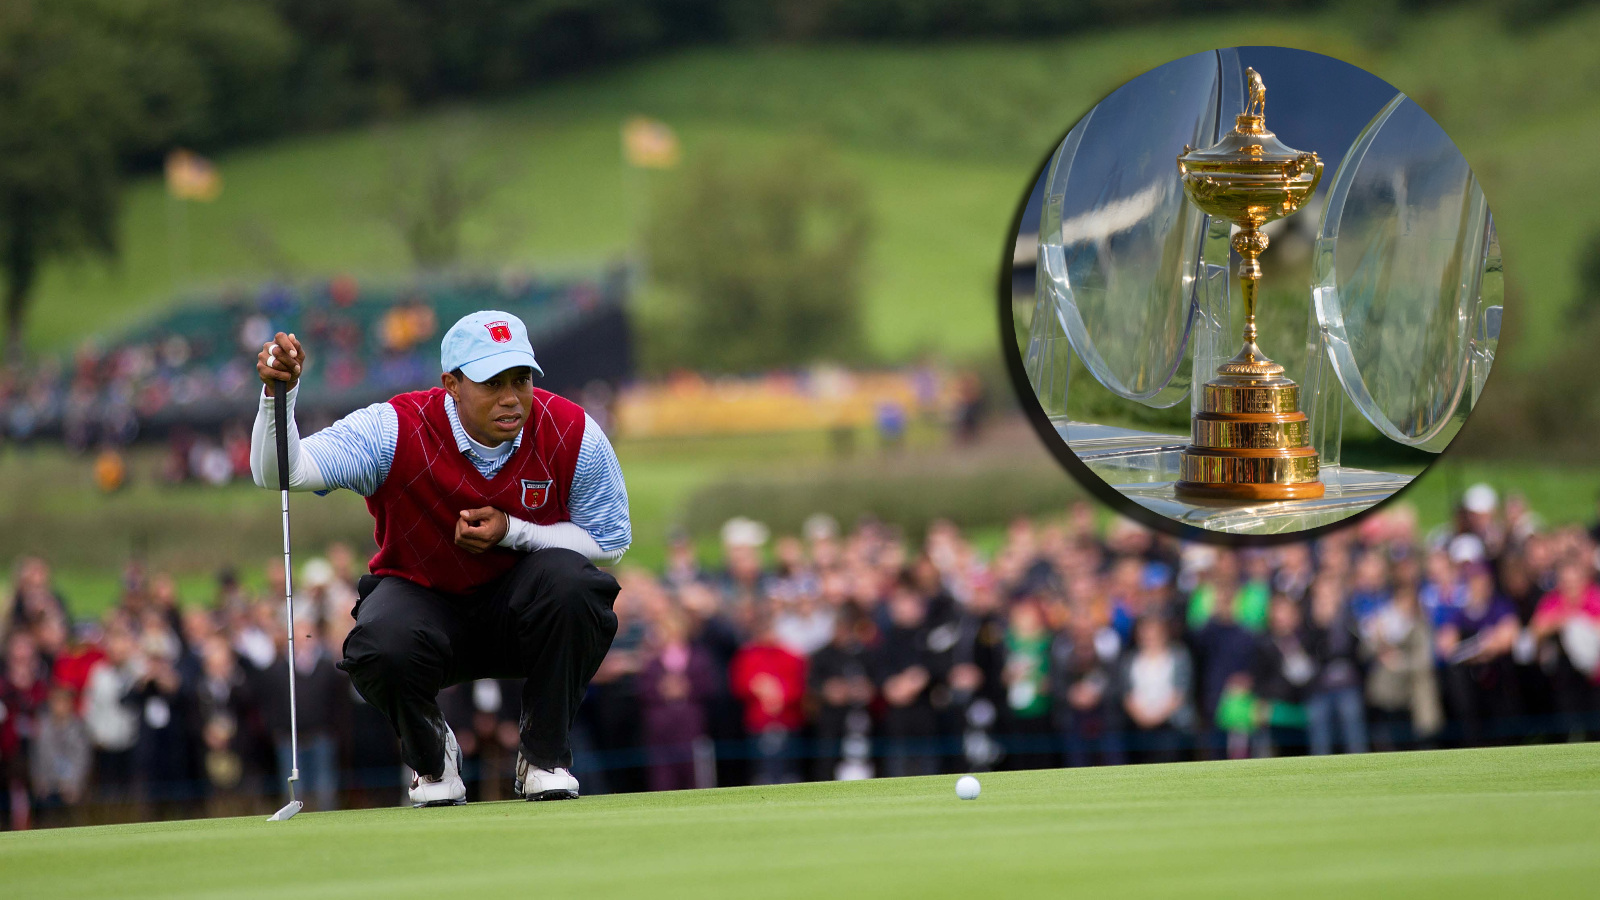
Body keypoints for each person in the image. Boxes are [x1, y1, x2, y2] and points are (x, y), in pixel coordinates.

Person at [249, 311, 629, 805]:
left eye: (521, 380)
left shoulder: (572, 430)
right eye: (492, 383)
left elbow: (611, 540)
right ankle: (434, 759)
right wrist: (280, 399)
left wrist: (513, 532)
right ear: (451, 383)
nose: (511, 397)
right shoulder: (393, 428)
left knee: (577, 586)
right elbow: (282, 472)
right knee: (377, 645)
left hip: (524, 613)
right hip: (423, 603)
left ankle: (543, 755)